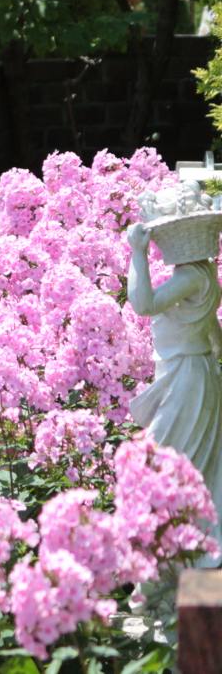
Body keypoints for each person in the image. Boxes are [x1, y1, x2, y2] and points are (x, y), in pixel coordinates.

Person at [125, 184, 222, 567]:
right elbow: (210, 324)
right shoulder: (203, 274)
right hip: (193, 372)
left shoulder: (192, 278)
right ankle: (181, 550)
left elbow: (144, 304)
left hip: (187, 378)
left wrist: (137, 254)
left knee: (163, 459)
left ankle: (184, 550)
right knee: (187, 461)